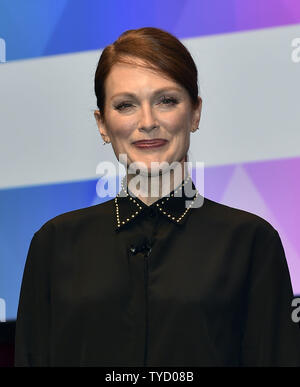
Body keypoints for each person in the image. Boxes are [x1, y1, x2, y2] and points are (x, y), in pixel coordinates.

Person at [15, 27, 300, 367]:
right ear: (102, 124)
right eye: (125, 105)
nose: (147, 122)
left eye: (166, 100)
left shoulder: (251, 241)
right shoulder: (54, 243)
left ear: (194, 113)